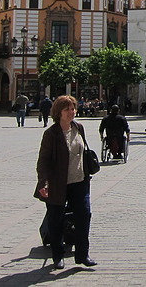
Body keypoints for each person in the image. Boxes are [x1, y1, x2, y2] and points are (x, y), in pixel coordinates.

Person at [33, 95, 97, 270]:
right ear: (58, 112)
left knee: (84, 215)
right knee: (56, 220)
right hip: (58, 183)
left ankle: (83, 254)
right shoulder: (51, 134)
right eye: (67, 109)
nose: (72, 112)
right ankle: (58, 255)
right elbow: (43, 161)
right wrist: (43, 183)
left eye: (73, 108)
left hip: (80, 181)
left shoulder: (79, 128)